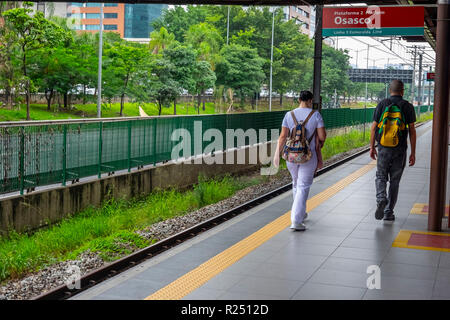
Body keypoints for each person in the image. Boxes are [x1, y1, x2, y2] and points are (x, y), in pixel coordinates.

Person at [273, 91, 326, 231]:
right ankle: (296, 220)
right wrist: (318, 144)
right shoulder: (315, 114)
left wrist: (276, 155)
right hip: (308, 156)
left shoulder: (289, 115)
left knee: (296, 183)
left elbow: (283, 136)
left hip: (290, 156)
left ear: (298, 99)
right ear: (310, 100)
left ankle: (301, 213)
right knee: (303, 186)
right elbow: (322, 136)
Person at [370, 79, 416, 221]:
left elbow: (373, 127)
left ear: (390, 90)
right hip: (400, 148)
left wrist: (372, 147)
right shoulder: (407, 106)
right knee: (394, 181)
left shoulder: (382, 104)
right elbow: (412, 131)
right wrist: (413, 152)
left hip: (383, 147)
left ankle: (381, 199)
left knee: (381, 176)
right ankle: (388, 212)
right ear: (402, 91)